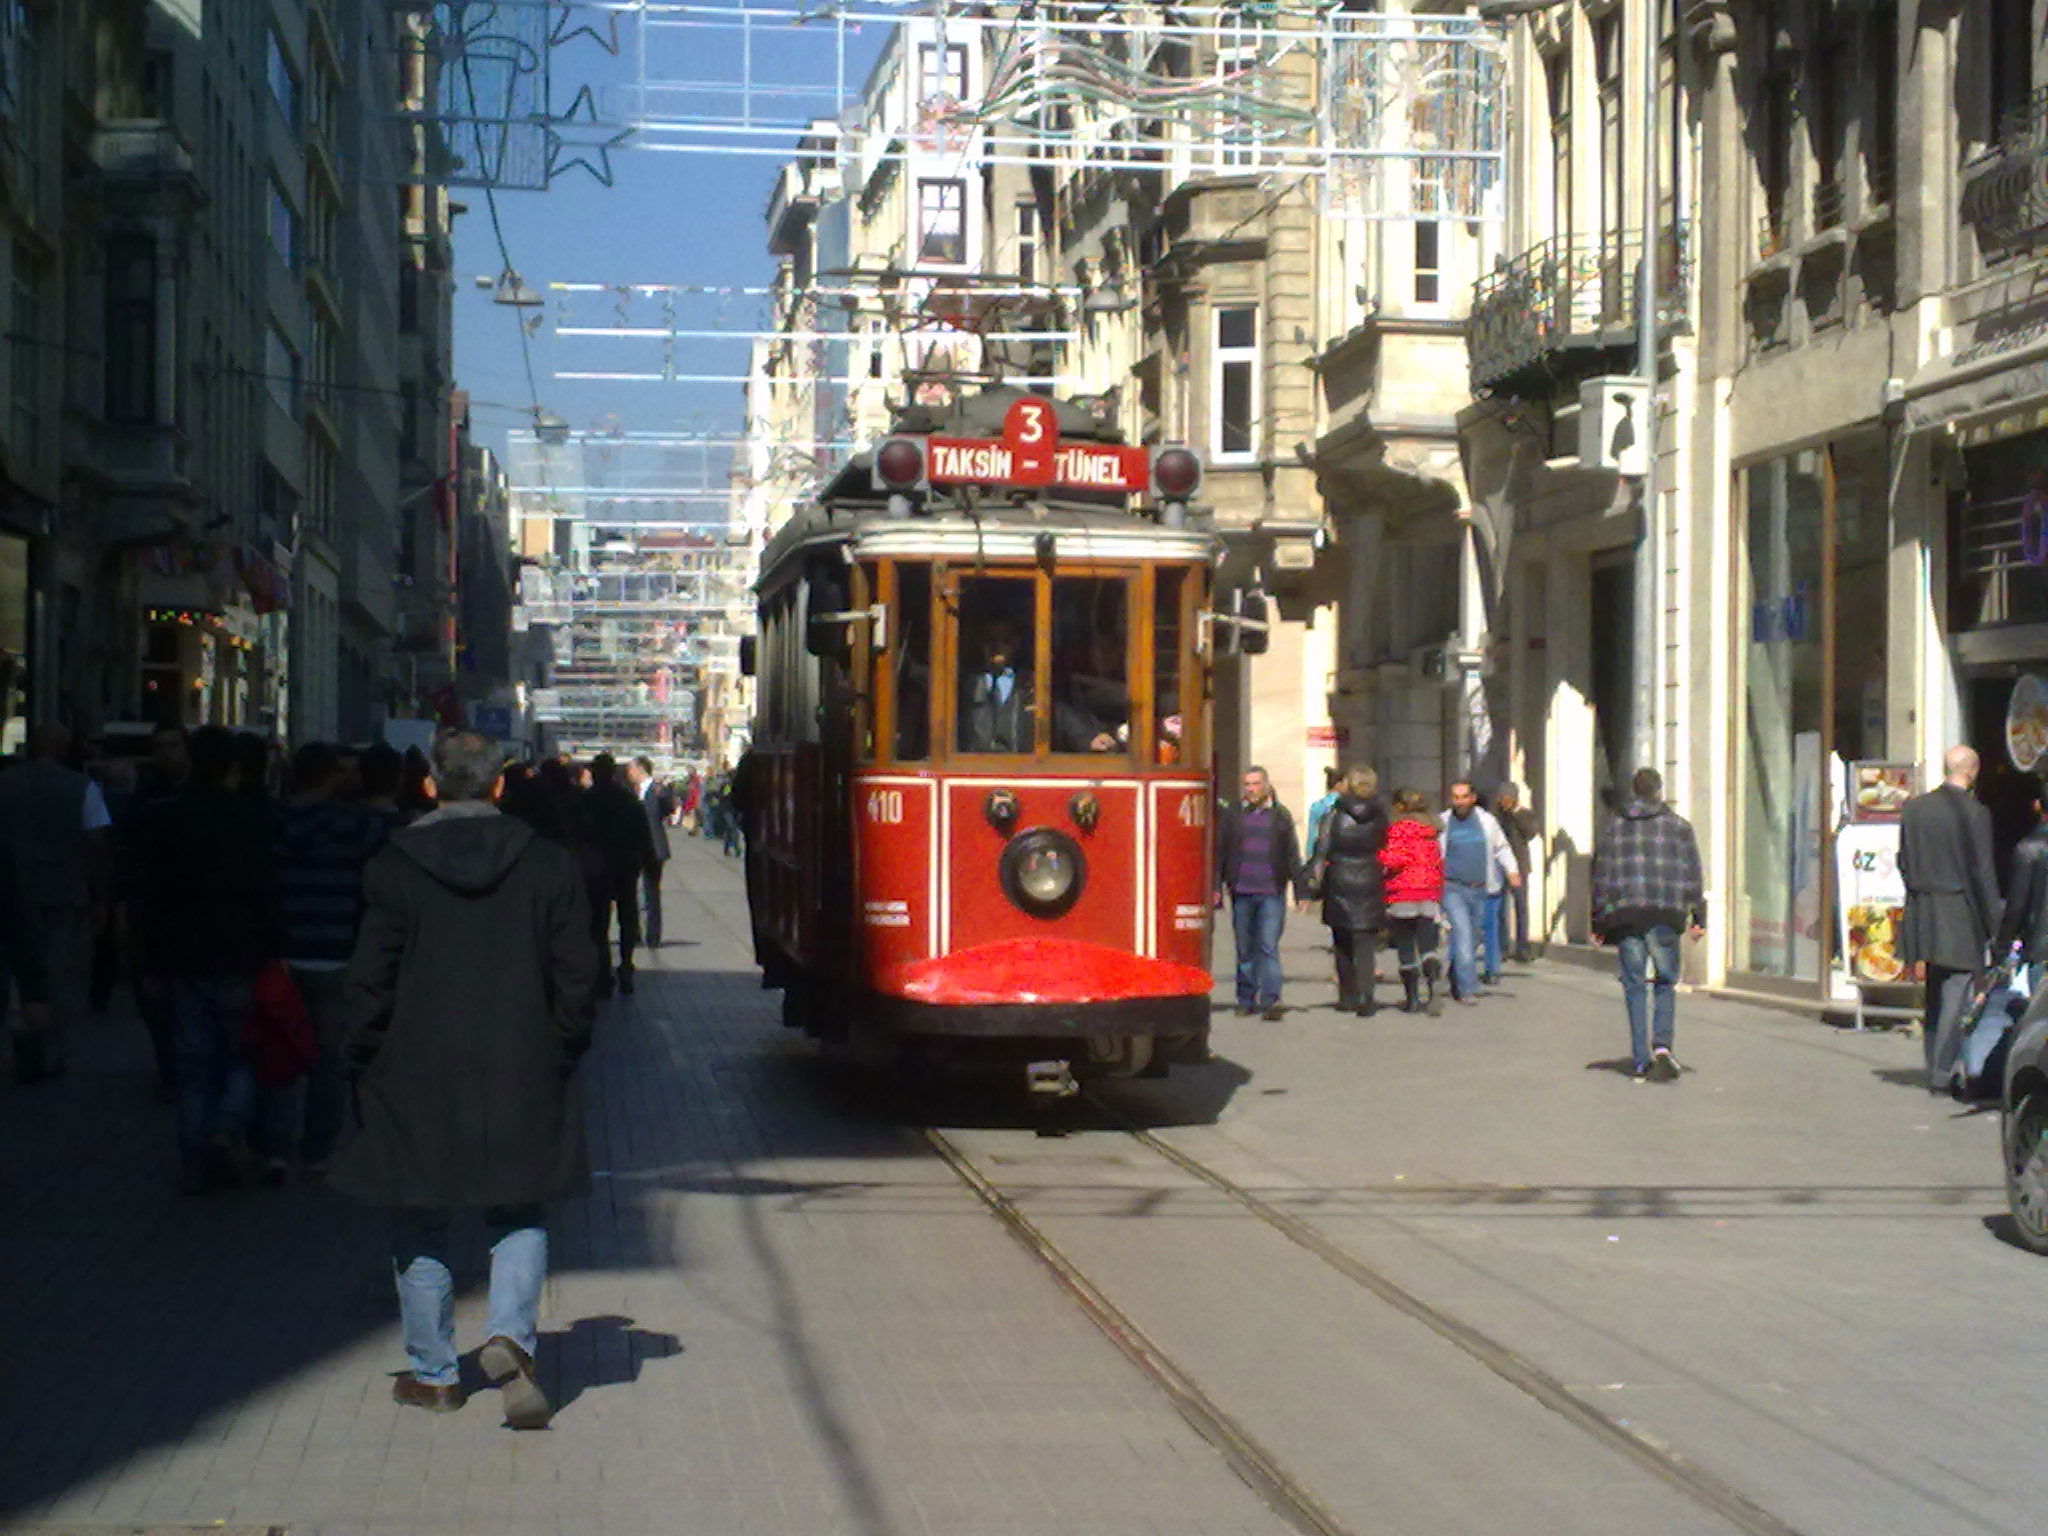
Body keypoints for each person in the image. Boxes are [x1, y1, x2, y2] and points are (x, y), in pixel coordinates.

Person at [333, 730, 598, 1425]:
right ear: (499, 786)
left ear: (429, 786)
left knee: (418, 1211)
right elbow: (578, 973)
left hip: (415, 1067)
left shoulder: (393, 866)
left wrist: (357, 1052)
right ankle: (509, 1335)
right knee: (520, 1205)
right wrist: (563, 1044)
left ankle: (435, 1374)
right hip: (522, 1059)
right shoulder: (547, 865)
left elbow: (371, 976)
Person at [134, 725, 278, 1192]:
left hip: (183, 955)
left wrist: (150, 960)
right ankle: (226, 1127)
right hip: (239, 951)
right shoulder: (254, 819)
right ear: (234, 768)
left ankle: (195, 1160)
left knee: (194, 1065)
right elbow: (266, 891)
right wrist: (275, 950)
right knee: (243, 1054)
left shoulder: (163, 818)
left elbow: (150, 896)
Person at [272, 742, 390, 1180]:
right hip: (338, 951)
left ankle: (275, 1149)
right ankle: (318, 1151)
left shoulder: (275, 821)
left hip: (284, 954)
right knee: (329, 1060)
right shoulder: (357, 826)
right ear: (329, 777)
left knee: (279, 1054)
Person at [0, 723, 112, 1082]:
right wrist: (100, 896)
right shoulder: (81, 788)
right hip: (61, 891)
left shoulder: (5, 784)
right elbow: (95, 841)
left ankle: (13, 1037)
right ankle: (48, 1046)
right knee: (53, 971)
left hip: (9, 891)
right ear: (64, 750)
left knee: (8, 967)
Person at [1590, 767, 1707, 1082]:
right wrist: (1699, 915)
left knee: (1634, 984)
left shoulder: (1614, 827)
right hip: (1665, 912)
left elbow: (1601, 873)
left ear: (1634, 790)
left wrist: (1598, 919)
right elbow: (1691, 873)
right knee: (1666, 981)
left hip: (1627, 913)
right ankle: (1662, 1046)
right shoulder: (1678, 827)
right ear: (1659, 790)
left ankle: (1640, 1058)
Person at [1900, 745, 2002, 1092]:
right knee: (1957, 991)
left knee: (1935, 989)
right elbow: (1984, 872)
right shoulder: (1974, 813)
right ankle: (1943, 1072)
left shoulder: (1914, 809)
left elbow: (1903, 860)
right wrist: (1996, 926)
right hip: (1957, 910)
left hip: (1922, 907)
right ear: (1972, 770)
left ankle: (1933, 1063)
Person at [1216, 766, 1307, 1020]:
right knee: (1244, 948)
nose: (1251, 789)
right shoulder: (1232, 814)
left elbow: (1292, 854)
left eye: (1256, 784)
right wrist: (1215, 886)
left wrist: (1302, 891)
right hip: (1241, 891)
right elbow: (1220, 852)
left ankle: (1271, 1000)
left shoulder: (1279, 815)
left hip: (1271, 891)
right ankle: (1245, 999)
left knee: (1268, 946)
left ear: (1266, 785)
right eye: (1247, 784)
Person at [1305, 766, 1389, 1015]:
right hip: (1369, 877)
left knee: (1341, 941)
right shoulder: (1380, 814)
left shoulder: (1335, 813)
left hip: (1340, 878)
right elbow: (1384, 843)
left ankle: (1347, 995)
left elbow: (1322, 848)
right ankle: (1366, 995)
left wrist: (1314, 882)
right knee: (1365, 943)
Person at [578, 754, 658, 995]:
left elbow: (576, 834)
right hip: (625, 865)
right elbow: (643, 835)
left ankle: (602, 972)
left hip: (595, 867)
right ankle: (625, 965)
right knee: (627, 917)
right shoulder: (628, 799)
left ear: (593, 772)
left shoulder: (585, 800)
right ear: (614, 772)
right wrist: (649, 862)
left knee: (598, 922)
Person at [1437, 780, 1519, 1005]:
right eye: (1456, 797)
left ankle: (1455, 976)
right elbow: (1436, 854)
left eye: (1464, 797)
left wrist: (1512, 870)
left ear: (1472, 798)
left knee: (1473, 938)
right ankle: (1467, 989)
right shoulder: (1444, 822)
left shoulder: (1486, 822)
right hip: (1453, 888)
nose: (1460, 802)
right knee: (1462, 934)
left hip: (1480, 888)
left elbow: (1501, 847)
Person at [1379, 789, 1446, 1014]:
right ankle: (1433, 974)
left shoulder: (1398, 830)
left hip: (1403, 892)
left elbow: (1395, 859)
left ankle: (1413, 999)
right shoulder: (1432, 830)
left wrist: (1379, 857)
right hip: (1428, 891)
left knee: (1406, 946)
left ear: (1399, 807)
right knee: (1428, 943)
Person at [1996, 777, 2048, 976]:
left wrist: (2002, 945)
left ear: (2036, 806)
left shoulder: (2030, 848)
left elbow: (2017, 905)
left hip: (2041, 949)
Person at [960, 619, 1034, 753]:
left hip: (1021, 770)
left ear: (1016, 644)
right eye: (989, 639)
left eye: (1005, 640)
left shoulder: (1033, 686)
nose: (996, 646)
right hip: (973, 769)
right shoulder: (962, 686)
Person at [624, 756, 672, 948]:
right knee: (629, 892)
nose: (628, 774)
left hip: (654, 848)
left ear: (640, 769)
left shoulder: (658, 791)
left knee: (652, 893)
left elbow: (667, 809)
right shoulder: (630, 791)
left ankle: (653, 936)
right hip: (633, 849)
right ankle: (634, 932)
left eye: (631, 769)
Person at [1494, 783, 1539, 963]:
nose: (1504, 802)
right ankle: (1501, 947)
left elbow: (1530, 832)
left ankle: (1522, 947)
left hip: (1519, 867)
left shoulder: (1524, 814)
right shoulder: (1496, 816)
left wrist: (1515, 813)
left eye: (1507, 798)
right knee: (1499, 908)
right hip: (1499, 866)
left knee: (1521, 907)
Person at [1304, 768, 1342, 866]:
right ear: (1339, 785)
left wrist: (1309, 857)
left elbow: (1311, 834)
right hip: (1340, 857)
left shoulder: (1317, 806)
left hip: (1321, 857)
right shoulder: (1344, 805)